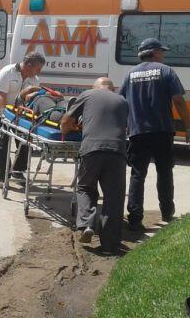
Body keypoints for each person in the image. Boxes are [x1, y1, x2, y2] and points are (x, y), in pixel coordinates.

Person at [119, 38, 190, 231]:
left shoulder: (130, 75)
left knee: (137, 175)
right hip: (162, 130)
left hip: (138, 132)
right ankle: (167, 213)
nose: (163, 55)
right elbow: (178, 100)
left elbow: (121, 102)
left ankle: (135, 219)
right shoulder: (166, 71)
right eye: (161, 51)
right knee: (164, 172)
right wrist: (189, 128)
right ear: (154, 53)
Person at [61, 77, 129, 253]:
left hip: (92, 149)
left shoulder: (87, 95)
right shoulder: (122, 100)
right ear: (112, 89)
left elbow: (67, 120)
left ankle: (86, 225)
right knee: (114, 197)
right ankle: (110, 245)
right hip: (117, 152)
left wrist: (65, 129)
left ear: (95, 88)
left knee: (85, 187)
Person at [0, 52, 45, 185]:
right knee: (0, 146)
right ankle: (4, 174)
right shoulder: (7, 72)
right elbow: (1, 95)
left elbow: (30, 101)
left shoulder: (34, 80)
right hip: (0, 113)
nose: (39, 72)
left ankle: (18, 171)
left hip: (20, 116)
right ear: (29, 65)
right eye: (38, 68)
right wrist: (5, 116)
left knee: (25, 143)